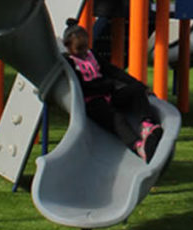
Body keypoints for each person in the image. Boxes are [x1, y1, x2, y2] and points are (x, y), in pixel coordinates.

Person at [62, 19, 164, 163]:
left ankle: (147, 125)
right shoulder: (69, 63)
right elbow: (83, 87)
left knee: (135, 90)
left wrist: (140, 86)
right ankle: (138, 147)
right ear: (68, 47)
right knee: (117, 118)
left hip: (108, 94)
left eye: (85, 47)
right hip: (92, 102)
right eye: (79, 50)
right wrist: (107, 85)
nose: (84, 52)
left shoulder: (92, 55)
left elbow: (113, 71)